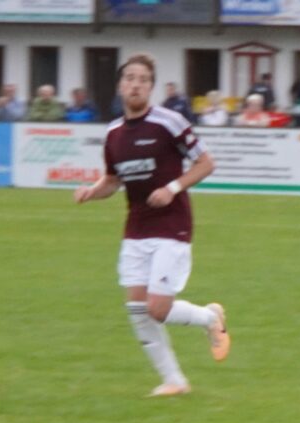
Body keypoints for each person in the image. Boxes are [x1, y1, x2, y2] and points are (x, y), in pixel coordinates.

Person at [73, 53, 229, 398]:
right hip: (136, 229)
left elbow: (206, 163)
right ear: (120, 85)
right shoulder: (114, 133)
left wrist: (172, 188)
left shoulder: (169, 122)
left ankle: (210, 318)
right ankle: (174, 381)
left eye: (143, 80)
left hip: (172, 226)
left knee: (157, 309)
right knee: (137, 309)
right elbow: (112, 181)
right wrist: (91, 192)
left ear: (151, 87)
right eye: (130, 78)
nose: (136, 85)